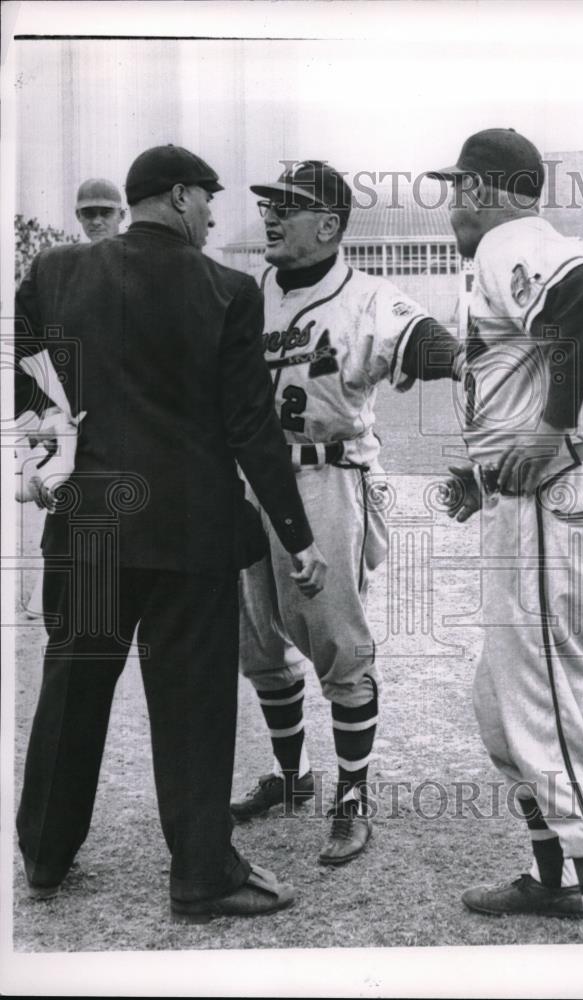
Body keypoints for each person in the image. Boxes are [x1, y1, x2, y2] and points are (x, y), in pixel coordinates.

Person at [15, 143, 327, 923]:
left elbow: (9, 352)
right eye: (209, 201)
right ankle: (201, 874)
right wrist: (297, 535)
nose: (215, 217)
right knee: (191, 705)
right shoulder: (226, 290)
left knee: (72, 687)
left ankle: (44, 857)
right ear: (182, 197)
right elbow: (252, 428)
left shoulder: (57, 271)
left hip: (90, 521)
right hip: (191, 529)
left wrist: (48, 421)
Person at [232, 160, 461, 866]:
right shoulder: (247, 293)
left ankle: (353, 796)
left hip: (326, 479)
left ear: (328, 225)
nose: (270, 216)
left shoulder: (366, 296)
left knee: (338, 643)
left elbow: (428, 343)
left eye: (288, 207)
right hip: (244, 482)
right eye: (268, 204)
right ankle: (293, 777)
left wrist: (466, 360)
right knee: (257, 642)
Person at [430, 129, 583, 941]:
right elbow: (521, 374)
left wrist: (553, 431)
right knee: (501, 707)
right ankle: (549, 879)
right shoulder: (502, 254)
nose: (454, 202)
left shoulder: (512, 241)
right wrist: (484, 466)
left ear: (490, 189)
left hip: (550, 504)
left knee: (549, 709)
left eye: (461, 186)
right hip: (523, 501)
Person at [22, 178, 127, 621]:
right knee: (66, 602)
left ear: (123, 216)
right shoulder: (56, 272)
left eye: (106, 211)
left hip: (136, 436)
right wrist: (42, 412)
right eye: (89, 212)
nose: (97, 219)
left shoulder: (144, 270)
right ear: (78, 217)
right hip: (77, 436)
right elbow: (17, 352)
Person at [74, 177, 126, 242]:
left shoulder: (134, 251)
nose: (96, 222)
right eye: (89, 213)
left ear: (121, 215)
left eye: (106, 213)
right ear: (78, 216)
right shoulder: (78, 252)